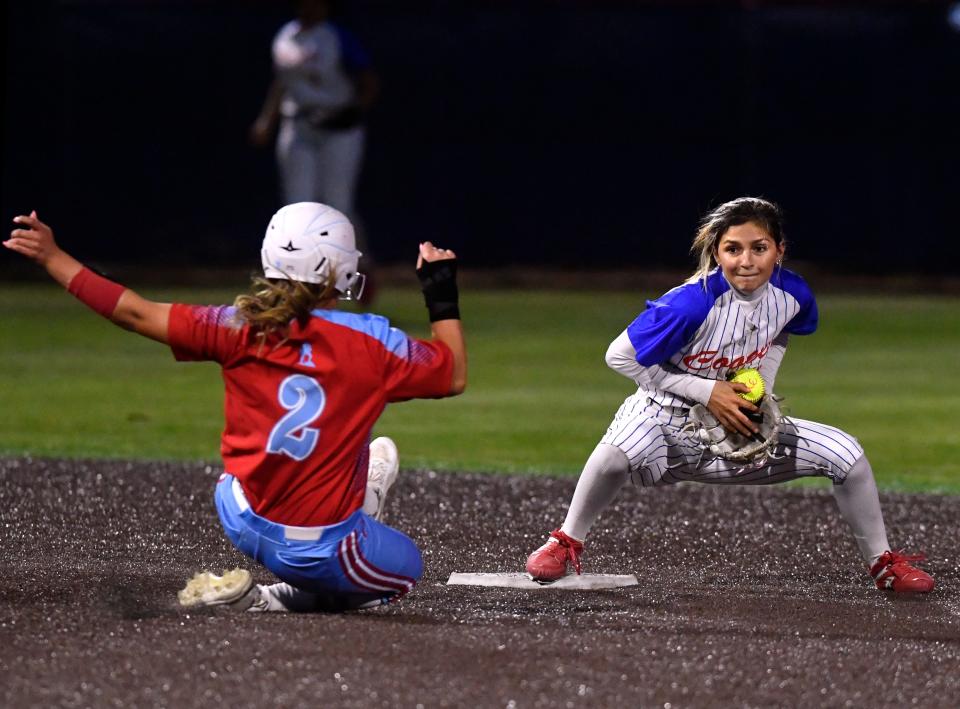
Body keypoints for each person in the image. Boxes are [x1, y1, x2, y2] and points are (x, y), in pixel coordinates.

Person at [5, 201, 467, 612]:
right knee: (405, 569)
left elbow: (133, 311)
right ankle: (276, 596)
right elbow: (452, 374)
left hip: (239, 512)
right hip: (316, 547)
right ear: (341, 269)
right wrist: (439, 287)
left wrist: (52, 256)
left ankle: (349, 510)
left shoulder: (238, 324)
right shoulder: (373, 342)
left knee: (340, 429)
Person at [525, 197, 935, 594]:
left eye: (759, 248)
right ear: (716, 252)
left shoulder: (793, 295)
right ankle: (564, 541)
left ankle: (882, 564)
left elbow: (780, 333)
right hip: (659, 422)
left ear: (779, 250)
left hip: (737, 422)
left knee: (848, 456)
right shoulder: (691, 303)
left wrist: (763, 389)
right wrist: (707, 390)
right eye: (732, 249)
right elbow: (619, 356)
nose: (746, 260)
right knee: (613, 457)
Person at [250, 0, 378, 221]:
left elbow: (369, 80)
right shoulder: (285, 37)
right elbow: (283, 81)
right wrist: (266, 119)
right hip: (298, 122)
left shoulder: (336, 36)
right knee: (296, 203)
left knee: (338, 201)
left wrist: (355, 111)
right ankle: (300, 255)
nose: (309, 7)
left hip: (337, 125)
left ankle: (352, 254)